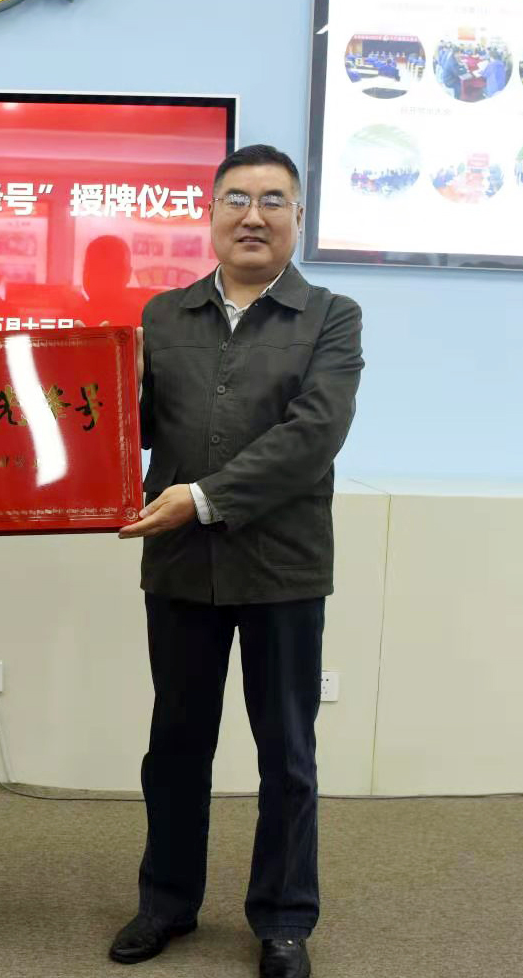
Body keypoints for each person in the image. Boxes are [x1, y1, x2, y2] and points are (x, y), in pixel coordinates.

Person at [110, 144, 363, 978]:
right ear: (211, 213)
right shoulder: (163, 315)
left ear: (298, 216)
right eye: (237, 199)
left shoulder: (331, 316)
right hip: (180, 564)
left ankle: (284, 919)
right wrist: (96, 397)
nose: (253, 215)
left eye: (273, 200)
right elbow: (132, 429)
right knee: (176, 744)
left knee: (286, 752)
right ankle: (166, 903)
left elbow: (313, 435)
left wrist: (203, 496)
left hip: (283, 567)